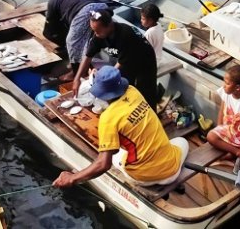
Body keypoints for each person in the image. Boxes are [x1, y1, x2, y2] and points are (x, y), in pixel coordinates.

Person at [53, 65, 188, 189]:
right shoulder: (133, 91)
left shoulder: (108, 118)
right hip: (172, 168)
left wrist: (72, 178)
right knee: (182, 142)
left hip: (143, 177)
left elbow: (103, 164)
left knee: (114, 156)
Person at [73, 9, 159, 110]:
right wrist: (77, 78)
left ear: (109, 25)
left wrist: (103, 80)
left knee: (145, 92)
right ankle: (127, 112)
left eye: (98, 31)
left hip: (144, 61)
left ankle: (151, 115)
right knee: (125, 89)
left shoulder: (125, 35)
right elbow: (88, 56)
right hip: (125, 59)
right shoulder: (99, 34)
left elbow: (118, 67)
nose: (95, 34)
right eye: (94, 30)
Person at [44, 0, 110, 81]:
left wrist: (60, 42)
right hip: (103, 8)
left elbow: (50, 27)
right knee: (88, 38)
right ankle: (82, 63)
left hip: (85, 12)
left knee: (72, 43)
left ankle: (76, 74)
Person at [207, 64, 240, 158]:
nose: (224, 86)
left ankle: (238, 151)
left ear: (238, 87)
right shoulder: (226, 92)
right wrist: (219, 129)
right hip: (231, 129)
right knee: (211, 136)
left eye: (227, 83)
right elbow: (222, 111)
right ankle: (236, 151)